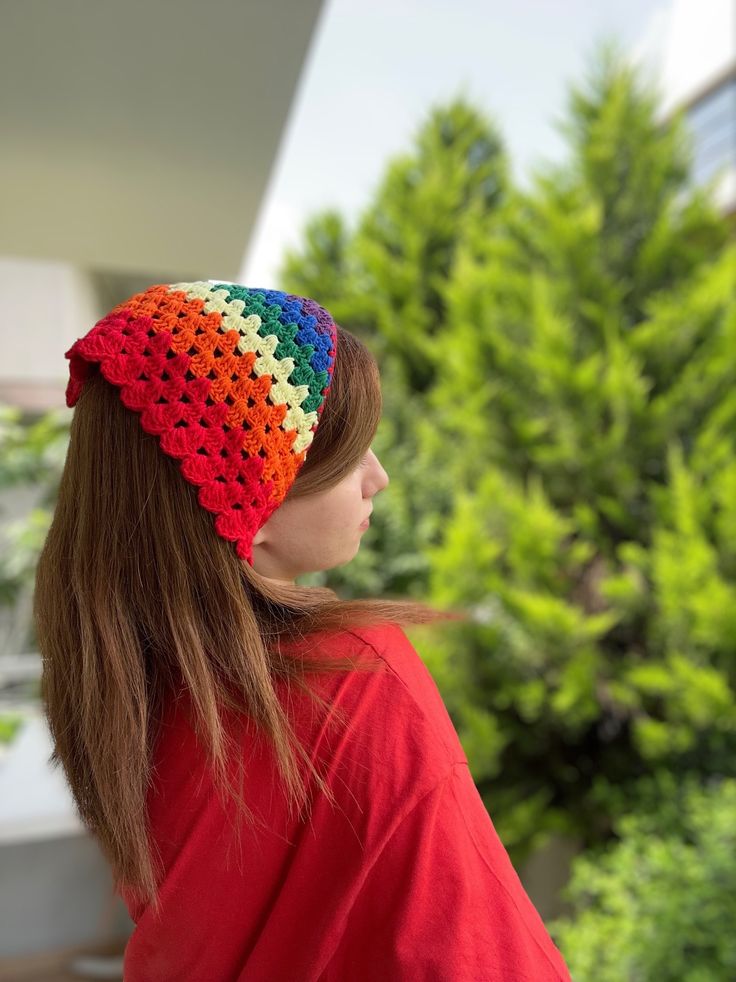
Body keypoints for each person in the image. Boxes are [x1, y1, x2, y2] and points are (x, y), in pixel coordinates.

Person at [34, 281, 572, 981]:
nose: (377, 477)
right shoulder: (354, 677)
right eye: (349, 454)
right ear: (249, 499)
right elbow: (477, 950)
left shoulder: (122, 692)